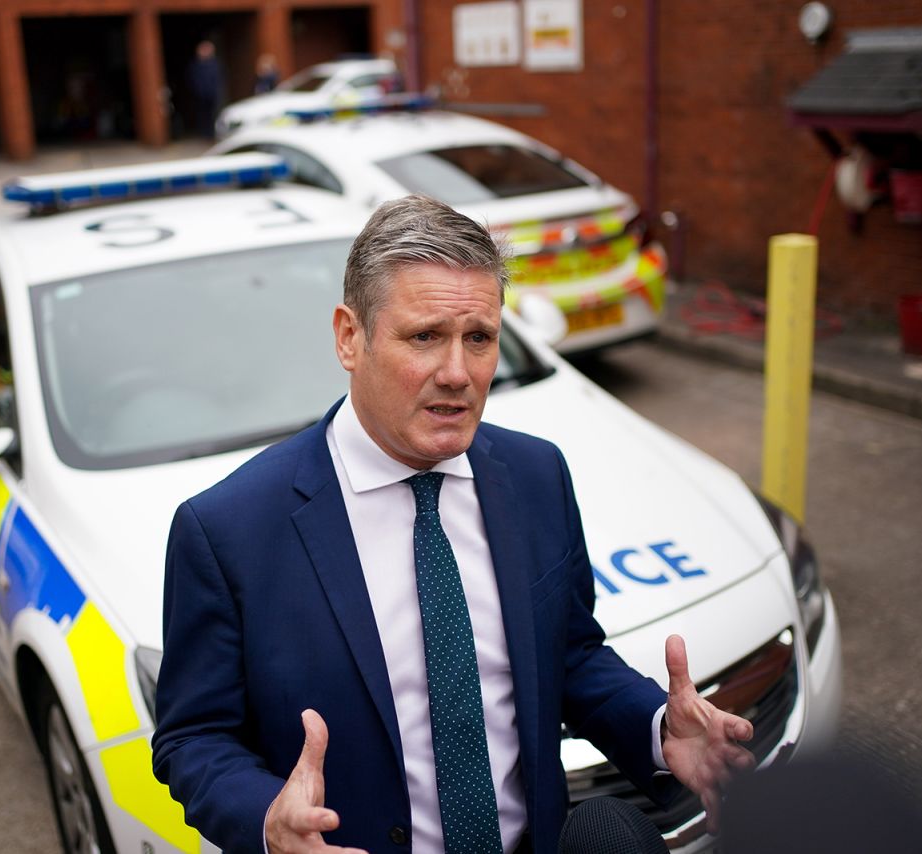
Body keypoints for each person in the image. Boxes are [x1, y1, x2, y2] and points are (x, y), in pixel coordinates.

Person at [152, 195, 755, 854]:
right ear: (350, 337)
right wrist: (267, 819)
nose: (458, 373)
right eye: (425, 337)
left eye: (479, 339)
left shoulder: (535, 476)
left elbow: (569, 655)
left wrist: (657, 727)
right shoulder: (228, 531)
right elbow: (193, 739)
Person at [187, 40, 223, 139]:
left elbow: (217, 79)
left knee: (212, 114)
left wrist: (215, 91)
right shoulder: (195, 65)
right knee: (202, 115)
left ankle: (211, 133)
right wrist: (198, 91)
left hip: (212, 94)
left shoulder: (214, 63)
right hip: (200, 95)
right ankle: (204, 133)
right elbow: (193, 80)